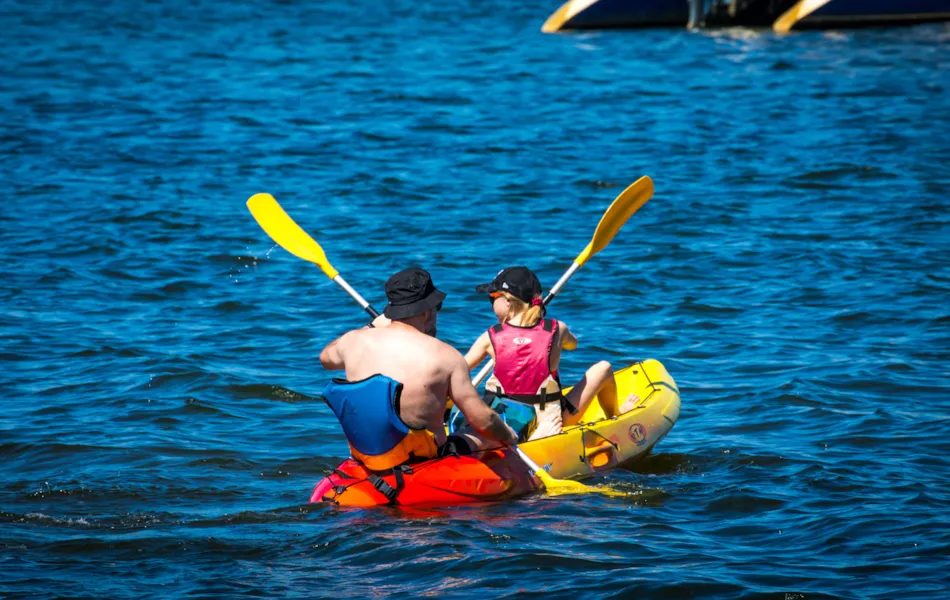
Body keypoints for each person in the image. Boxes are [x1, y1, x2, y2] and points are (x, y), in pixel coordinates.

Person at [319, 267, 517, 470]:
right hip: (423, 459)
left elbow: (325, 359)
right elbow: (483, 422)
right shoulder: (446, 356)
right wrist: (509, 435)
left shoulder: (352, 341)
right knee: (483, 433)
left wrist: (371, 326)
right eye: (437, 306)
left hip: (368, 454)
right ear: (426, 311)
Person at [453, 266, 639, 446]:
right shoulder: (557, 329)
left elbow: (456, 371)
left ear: (508, 302)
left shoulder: (490, 336)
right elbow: (573, 345)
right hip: (550, 422)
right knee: (603, 368)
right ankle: (615, 414)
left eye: (492, 297)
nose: (491, 303)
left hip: (504, 424)